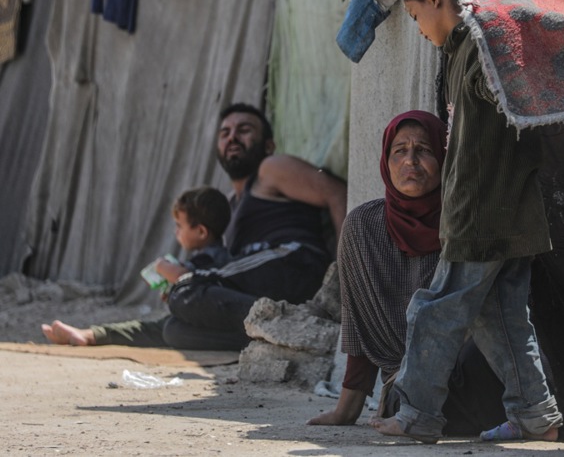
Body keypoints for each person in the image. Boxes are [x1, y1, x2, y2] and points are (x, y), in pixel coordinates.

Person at [372, 0, 563, 444]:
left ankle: (417, 415)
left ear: (435, 0)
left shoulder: (481, 47)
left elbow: (511, 99)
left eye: (416, 15)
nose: (417, 28)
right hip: (510, 214)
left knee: (434, 309)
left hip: (481, 211)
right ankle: (534, 415)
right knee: (498, 317)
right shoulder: (463, 50)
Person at [42, 103, 347, 351]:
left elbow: (337, 194)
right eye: (225, 133)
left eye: (244, 130)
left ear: (268, 145)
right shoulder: (229, 204)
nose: (232, 138)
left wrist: (344, 276)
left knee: (188, 289)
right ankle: (94, 335)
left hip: (293, 266)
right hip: (266, 291)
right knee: (178, 327)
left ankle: (294, 325)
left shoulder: (271, 170)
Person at [306, 110, 507, 435]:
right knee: (413, 398)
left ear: (445, 158)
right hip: (409, 392)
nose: (410, 161)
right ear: (386, 161)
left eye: (424, 150)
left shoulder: (467, 221)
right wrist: (347, 410)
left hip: (475, 371)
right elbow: (360, 325)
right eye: (399, 151)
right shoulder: (363, 227)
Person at [41, 186, 234, 348]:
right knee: (151, 328)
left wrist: (161, 266)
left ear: (201, 231)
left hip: (209, 328)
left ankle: (92, 336)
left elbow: (186, 278)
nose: (176, 232)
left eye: (179, 226)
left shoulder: (213, 258)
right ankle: (91, 335)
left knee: (166, 329)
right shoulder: (211, 256)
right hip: (198, 321)